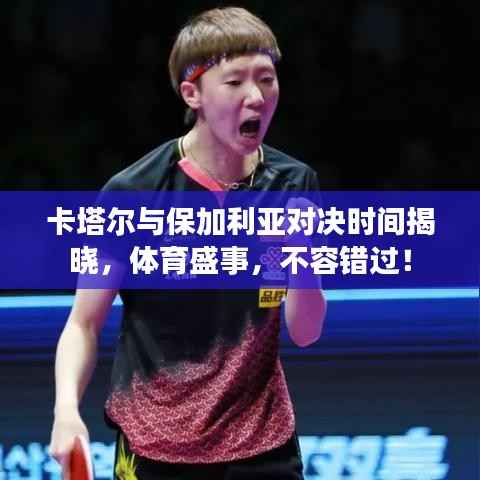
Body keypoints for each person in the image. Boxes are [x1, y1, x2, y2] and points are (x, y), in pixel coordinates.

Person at [49, 7, 327, 479]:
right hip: (154, 448)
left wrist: (302, 256)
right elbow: (83, 324)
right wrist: (66, 412)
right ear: (192, 93)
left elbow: (306, 331)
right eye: (235, 82)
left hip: (262, 448)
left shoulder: (293, 184)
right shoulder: (133, 193)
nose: (257, 96)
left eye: (266, 79)